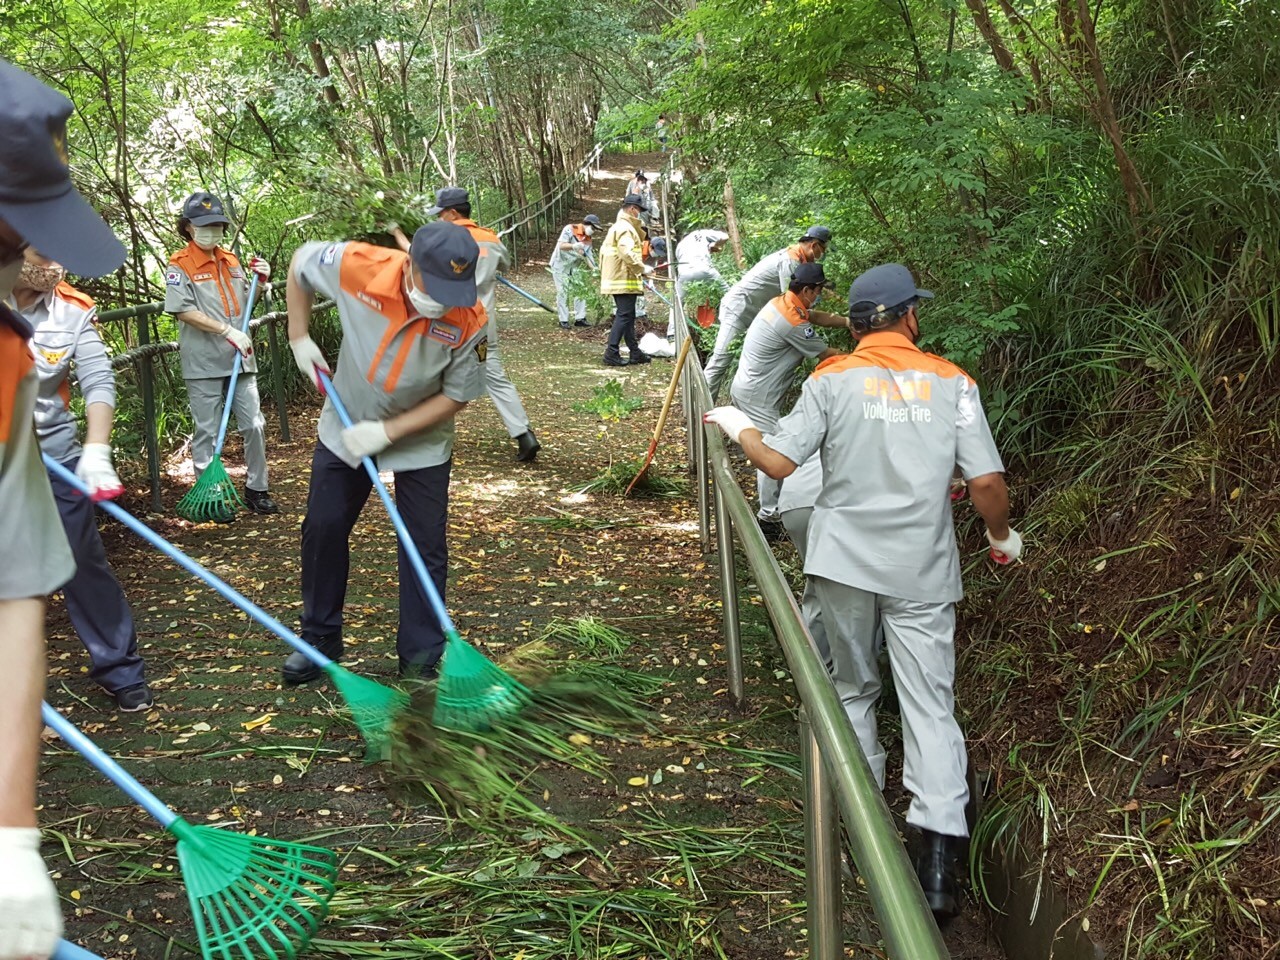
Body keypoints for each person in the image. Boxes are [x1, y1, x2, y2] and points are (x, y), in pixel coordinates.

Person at [704, 263, 1024, 924]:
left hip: (844, 564)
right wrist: (1001, 538)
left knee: (852, 687)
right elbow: (987, 483)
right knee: (930, 706)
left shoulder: (831, 379)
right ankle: (937, 870)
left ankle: (860, 823)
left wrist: (736, 423)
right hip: (922, 571)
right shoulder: (953, 382)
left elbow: (778, 464)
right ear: (909, 316)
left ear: (854, 325)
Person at [0, 57, 127, 960]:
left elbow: (16, 600)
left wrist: (14, 842)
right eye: (17, 233)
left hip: (50, 466)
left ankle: (119, 664)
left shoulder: (16, 348)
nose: (28, 257)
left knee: (76, 565)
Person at [284, 220, 490, 682]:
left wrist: (388, 433)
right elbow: (300, 263)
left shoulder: (469, 316)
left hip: (420, 439)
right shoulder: (361, 267)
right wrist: (300, 334)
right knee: (324, 525)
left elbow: (456, 396)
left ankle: (420, 655)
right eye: (433, 285)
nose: (442, 300)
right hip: (347, 421)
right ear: (410, 261)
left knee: (424, 543)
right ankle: (319, 638)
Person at [13, 248, 153, 712]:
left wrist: (95, 449)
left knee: (80, 561)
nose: (57, 262)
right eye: (43, 250)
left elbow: (98, 381)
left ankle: (120, 668)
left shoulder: (73, 308)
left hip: (56, 457)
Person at [404, 187, 540, 462]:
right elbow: (506, 265)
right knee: (494, 376)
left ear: (453, 212)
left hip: (444, 320)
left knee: (431, 375)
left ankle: (428, 439)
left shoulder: (440, 239)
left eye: (441, 214)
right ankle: (524, 434)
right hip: (480, 322)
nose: (439, 219)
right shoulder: (491, 239)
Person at [165, 192, 278, 515]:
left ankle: (257, 488)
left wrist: (262, 281)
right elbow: (181, 310)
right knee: (208, 430)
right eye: (204, 225)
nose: (211, 231)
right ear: (188, 228)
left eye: (217, 225)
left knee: (254, 424)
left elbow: (246, 304)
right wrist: (226, 331)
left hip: (240, 358)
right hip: (203, 361)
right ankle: (211, 497)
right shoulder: (180, 265)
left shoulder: (231, 260)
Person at [729, 262, 847, 539]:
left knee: (774, 445)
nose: (819, 295)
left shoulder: (782, 303)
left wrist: (846, 321)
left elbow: (814, 316)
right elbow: (826, 354)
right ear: (807, 289)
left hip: (752, 388)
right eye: (818, 291)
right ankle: (768, 518)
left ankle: (773, 510)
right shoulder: (792, 322)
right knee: (774, 450)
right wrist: (867, 358)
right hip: (758, 395)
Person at [703, 225, 832, 398]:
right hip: (740, 309)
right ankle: (700, 410)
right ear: (815, 245)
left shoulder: (802, 261)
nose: (823, 253)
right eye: (823, 249)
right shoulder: (790, 261)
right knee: (720, 361)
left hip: (757, 313)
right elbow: (792, 300)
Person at [599, 193, 654, 367]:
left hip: (621, 277)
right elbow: (626, 252)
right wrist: (642, 268)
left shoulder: (621, 226)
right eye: (638, 211)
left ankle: (634, 352)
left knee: (628, 316)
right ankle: (611, 352)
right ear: (632, 209)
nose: (640, 215)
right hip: (621, 278)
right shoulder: (625, 227)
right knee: (624, 316)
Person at [549, 214, 601, 330]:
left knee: (581, 291)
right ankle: (563, 320)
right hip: (560, 264)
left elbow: (588, 257)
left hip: (575, 266)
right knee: (562, 292)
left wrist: (595, 269)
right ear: (586, 224)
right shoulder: (569, 229)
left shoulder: (588, 239)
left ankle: (580, 318)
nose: (593, 231)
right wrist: (573, 246)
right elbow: (561, 245)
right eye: (593, 228)